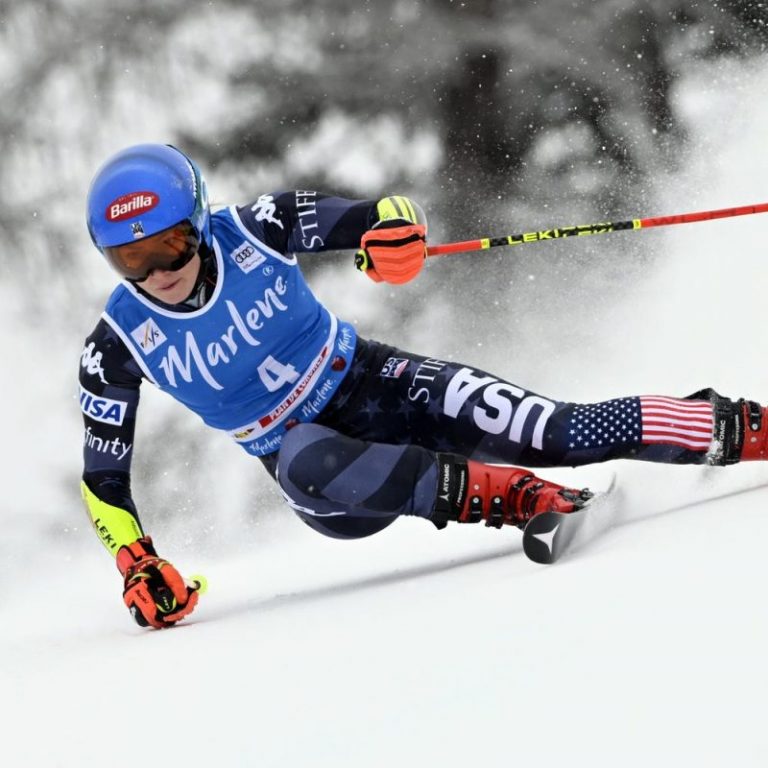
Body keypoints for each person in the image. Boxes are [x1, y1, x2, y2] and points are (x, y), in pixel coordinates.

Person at [79, 143, 768, 629]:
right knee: (307, 458)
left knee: (554, 430)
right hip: (325, 478)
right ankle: (524, 499)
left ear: (196, 225)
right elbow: (103, 480)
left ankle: (737, 428)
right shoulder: (116, 345)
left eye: (167, 245)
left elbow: (377, 211)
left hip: (379, 380)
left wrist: (391, 235)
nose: (155, 271)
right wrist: (139, 566)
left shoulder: (256, 230)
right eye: (129, 258)